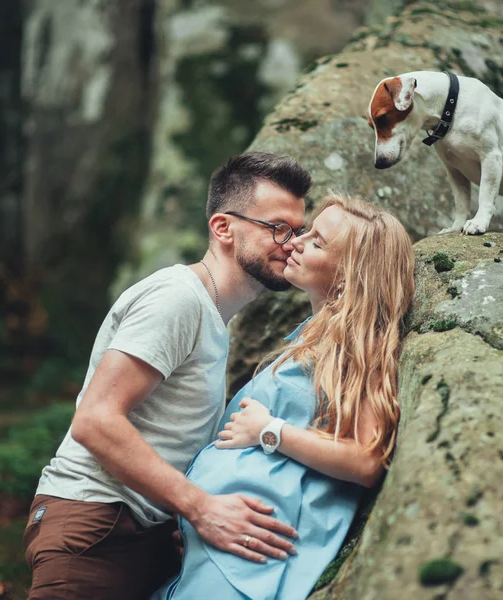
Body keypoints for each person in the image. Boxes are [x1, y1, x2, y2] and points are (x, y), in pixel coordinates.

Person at [23, 152, 313, 600]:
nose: (291, 242)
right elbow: (95, 420)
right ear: (223, 229)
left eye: (297, 231)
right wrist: (199, 508)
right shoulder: (178, 300)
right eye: (277, 227)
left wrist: (174, 519)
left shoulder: (213, 315)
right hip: (95, 525)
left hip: (140, 531)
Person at [152, 191, 415, 600]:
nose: (294, 241)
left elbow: (367, 459)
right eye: (306, 231)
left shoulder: (355, 346)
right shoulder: (311, 335)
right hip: (223, 548)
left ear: (349, 274)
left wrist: (269, 431)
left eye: (316, 241)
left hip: (254, 565)